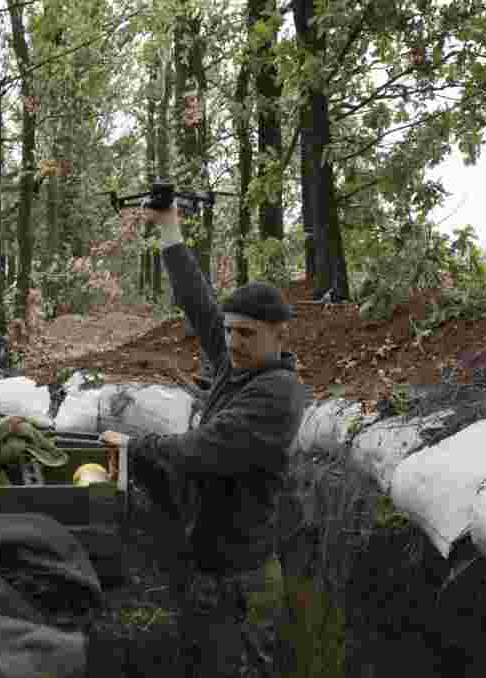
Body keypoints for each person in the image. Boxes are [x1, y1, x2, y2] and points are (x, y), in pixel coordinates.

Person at [100, 203, 308, 678]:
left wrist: (134, 446)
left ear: (279, 333)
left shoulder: (277, 392)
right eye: (231, 332)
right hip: (208, 571)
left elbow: (202, 450)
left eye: (247, 334)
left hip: (244, 583)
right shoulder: (240, 364)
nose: (233, 342)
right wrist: (169, 228)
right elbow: (200, 306)